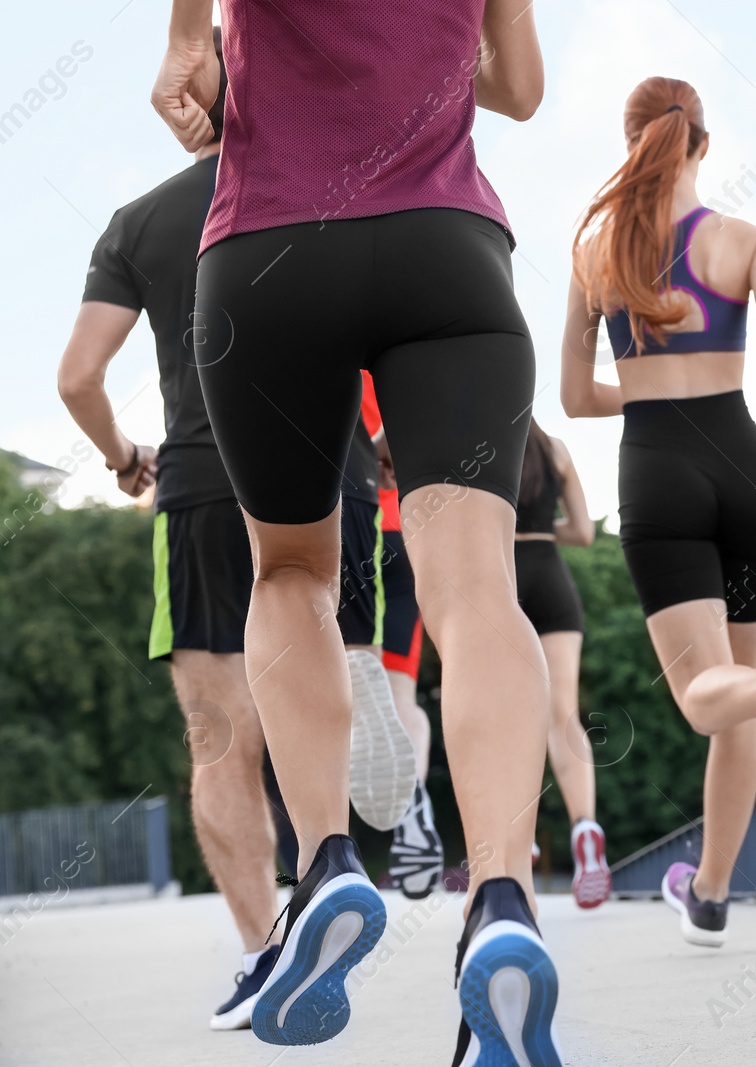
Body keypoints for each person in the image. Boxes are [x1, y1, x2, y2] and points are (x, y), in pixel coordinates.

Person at [151, 1, 560, 1060]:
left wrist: (187, 40)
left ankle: (328, 861)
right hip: (448, 250)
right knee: (476, 593)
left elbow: (191, 62)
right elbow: (517, 88)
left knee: (289, 567)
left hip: (269, 249)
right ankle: (503, 897)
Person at [56, 30, 413, 1032]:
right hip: (334, 469)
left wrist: (127, 455)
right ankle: (340, 812)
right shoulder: (328, 182)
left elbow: (77, 376)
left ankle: (269, 951)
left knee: (219, 736)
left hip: (209, 481)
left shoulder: (138, 223)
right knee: (323, 657)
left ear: (187, 91)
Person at [561, 77, 756, 947]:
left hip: (659, 472)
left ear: (634, 145)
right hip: (750, 471)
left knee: (708, 695)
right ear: (702, 143)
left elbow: (576, 398)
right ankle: (713, 894)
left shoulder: (595, 255)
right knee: (733, 687)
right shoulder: (747, 240)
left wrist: (654, 395)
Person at [513, 420, 610, 907]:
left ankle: (517, 835)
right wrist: (538, 526)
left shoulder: (483, 446)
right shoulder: (557, 450)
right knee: (563, 715)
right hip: (553, 579)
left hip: (504, 579)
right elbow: (584, 533)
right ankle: (586, 828)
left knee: (504, 717)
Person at [360, 373, 447, 900]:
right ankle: (412, 797)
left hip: (350, 522)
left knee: (341, 690)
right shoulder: (395, 349)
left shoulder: (324, 333)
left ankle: (323, 858)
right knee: (401, 697)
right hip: (406, 530)